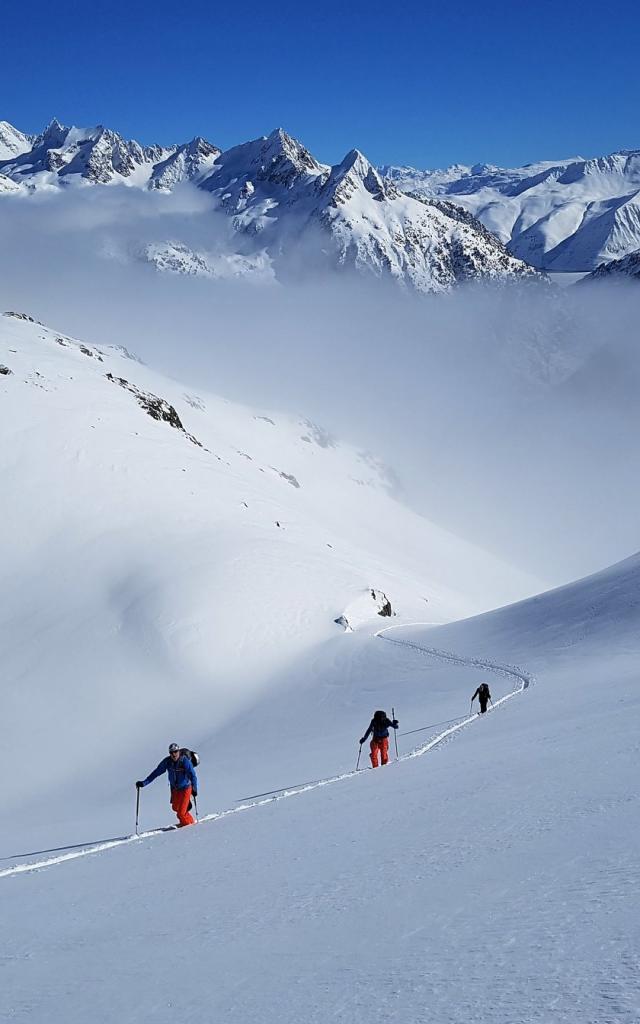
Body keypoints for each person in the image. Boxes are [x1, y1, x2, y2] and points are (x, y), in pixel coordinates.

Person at [136, 743, 198, 827]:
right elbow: (156, 773)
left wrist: (194, 788)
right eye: (171, 752)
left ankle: (190, 827)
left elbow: (192, 775)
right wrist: (144, 783)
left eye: (175, 752)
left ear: (179, 751)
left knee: (181, 814)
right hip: (175, 789)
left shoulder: (184, 761)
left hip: (186, 788)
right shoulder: (167, 762)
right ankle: (188, 820)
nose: (174, 754)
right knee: (175, 808)